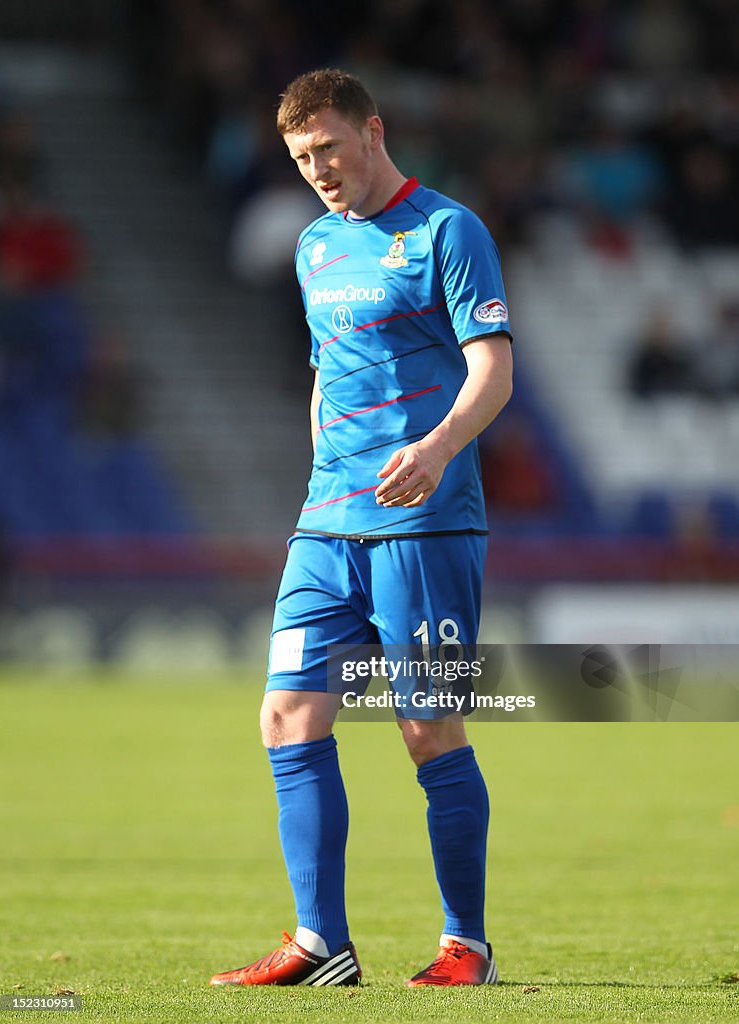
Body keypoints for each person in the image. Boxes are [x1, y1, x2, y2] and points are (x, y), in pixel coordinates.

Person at [210, 68, 513, 989]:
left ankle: (467, 945)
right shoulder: (312, 248)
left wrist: (438, 448)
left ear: (373, 131)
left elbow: (492, 370)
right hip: (327, 523)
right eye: (302, 158)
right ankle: (319, 944)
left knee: (428, 727)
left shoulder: (447, 231)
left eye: (329, 149)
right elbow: (327, 371)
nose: (318, 170)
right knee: (285, 714)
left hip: (424, 522)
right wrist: (318, 473)